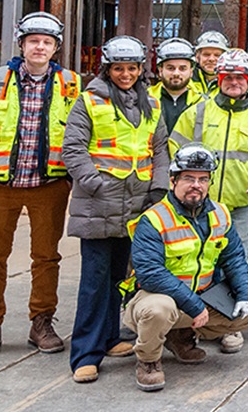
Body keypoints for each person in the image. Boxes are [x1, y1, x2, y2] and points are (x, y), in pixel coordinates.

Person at [0, 12, 81, 363]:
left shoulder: (72, 84)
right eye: (33, 41)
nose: (39, 47)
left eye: (47, 42)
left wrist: (70, 179)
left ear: (55, 47)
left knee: (46, 259)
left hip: (50, 186)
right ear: (22, 44)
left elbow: (82, 133)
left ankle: (40, 323)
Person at [62, 35, 170, 383]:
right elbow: (73, 149)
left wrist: (158, 188)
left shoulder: (150, 102)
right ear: (107, 69)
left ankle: (109, 339)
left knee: (119, 279)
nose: (126, 74)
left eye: (132, 68)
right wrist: (93, 184)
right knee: (94, 281)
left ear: (141, 69)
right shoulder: (89, 101)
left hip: (136, 205)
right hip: (99, 202)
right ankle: (85, 355)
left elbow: (160, 149)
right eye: (119, 68)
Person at [169, 48, 248, 353]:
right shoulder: (198, 112)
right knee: (193, 264)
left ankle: (228, 327)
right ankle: (189, 327)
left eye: (240, 78)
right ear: (219, 79)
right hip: (196, 207)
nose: (234, 82)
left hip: (237, 205)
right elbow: (175, 149)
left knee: (234, 265)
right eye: (228, 77)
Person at [122, 143, 248, 392]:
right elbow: (151, 274)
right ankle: (149, 361)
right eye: (188, 178)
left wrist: (245, 294)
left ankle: (180, 337)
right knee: (159, 310)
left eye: (203, 179)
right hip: (154, 299)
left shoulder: (220, 214)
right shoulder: (153, 219)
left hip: (200, 299)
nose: (196, 185)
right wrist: (194, 305)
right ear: (173, 181)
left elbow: (234, 259)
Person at [150, 37, 205, 134]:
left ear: (191, 72)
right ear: (160, 70)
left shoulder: (202, 103)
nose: (176, 73)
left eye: (182, 68)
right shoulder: (145, 99)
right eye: (170, 68)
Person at [192, 30, 229, 95]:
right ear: (197, 57)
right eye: (206, 54)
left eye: (217, 55)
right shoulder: (186, 80)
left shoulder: (232, 82)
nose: (211, 59)